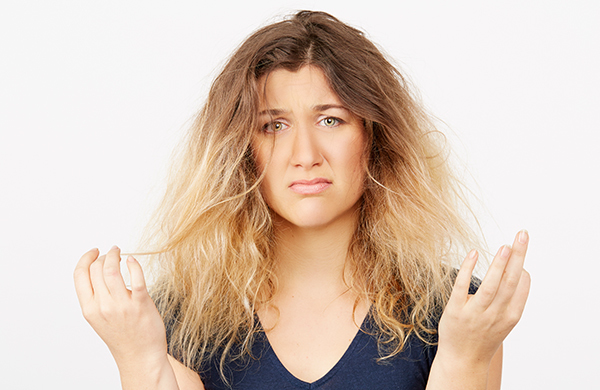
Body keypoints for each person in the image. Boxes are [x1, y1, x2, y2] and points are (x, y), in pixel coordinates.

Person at [74, 10, 530, 390]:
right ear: (240, 151)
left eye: (330, 120)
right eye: (274, 126)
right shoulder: (175, 319)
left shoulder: (459, 313)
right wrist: (138, 359)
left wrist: (466, 361)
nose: (305, 156)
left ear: (375, 138)